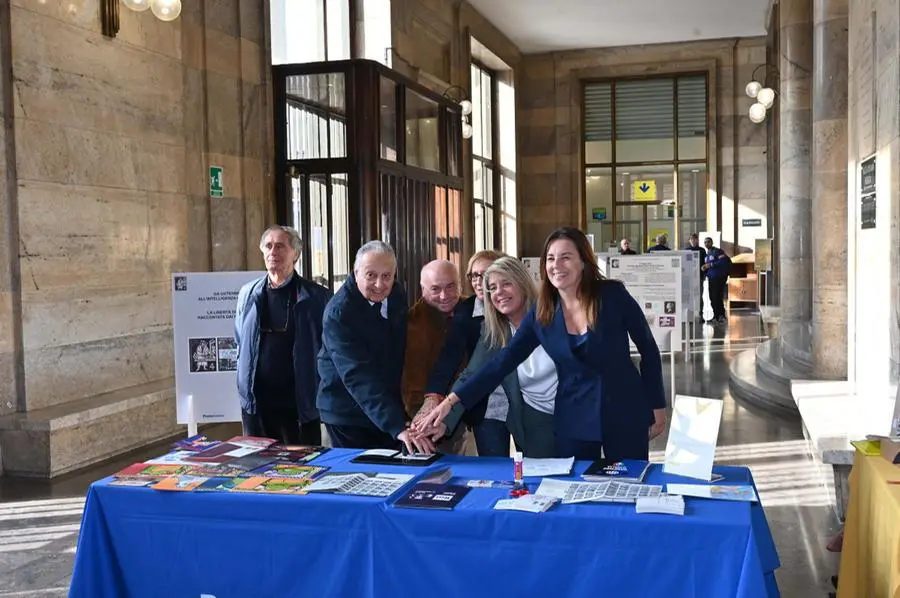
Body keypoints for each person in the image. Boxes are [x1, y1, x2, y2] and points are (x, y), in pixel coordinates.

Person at [419, 227, 667, 461]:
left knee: (629, 486)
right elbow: (502, 362)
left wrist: (657, 405)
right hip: (574, 418)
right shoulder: (544, 311)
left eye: (565, 257)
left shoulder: (612, 296)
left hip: (624, 412)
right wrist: (450, 402)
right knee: (575, 490)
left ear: (583, 261)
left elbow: (648, 348)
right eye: (550, 258)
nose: (556, 265)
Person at [316, 240, 438, 454]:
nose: (380, 285)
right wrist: (396, 426)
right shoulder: (339, 313)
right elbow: (357, 375)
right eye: (371, 275)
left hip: (387, 406)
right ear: (355, 272)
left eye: (386, 276)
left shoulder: (397, 294)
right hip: (348, 413)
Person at [436, 256, 558, 457]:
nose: (498, 292)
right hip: (534, 419)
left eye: (506, 283)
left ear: (523, 283)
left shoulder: (553, 318)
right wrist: (443, 421)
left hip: (572, 415)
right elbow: (472, 375)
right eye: (492, 288)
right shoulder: (495, 330)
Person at [234, 225, 332, 445]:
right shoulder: (248, 294)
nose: (273, 252)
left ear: (295, 254)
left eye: (280, 246)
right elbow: (240, 339)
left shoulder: (316, 297)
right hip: (257, 401)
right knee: (258, 467)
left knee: (304, 467)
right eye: (268, 246)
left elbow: (328, 349)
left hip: (299, 403)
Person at [418, 250, 506, 434]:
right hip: (485, 406)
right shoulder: (466, 311)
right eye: (475, 275)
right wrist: (433, 397)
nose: (479, 281)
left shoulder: (521, 308)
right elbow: (451, 358)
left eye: (487, 273)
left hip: (525, 403)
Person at [401, 259, 469, 454]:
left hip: (466, 408)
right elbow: (410, 380)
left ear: (460, 284)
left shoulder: (472, 310)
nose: (444, 296)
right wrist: (420, 420)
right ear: (423, 290)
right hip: (424, 416)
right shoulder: (411, 324)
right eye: (435, 289)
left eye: (450, 287)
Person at [702, 237, 730, 324]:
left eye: (708, 242)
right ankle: (715, 316)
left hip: (719, 277)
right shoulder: (707, 254)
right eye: (705, 242)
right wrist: (704, 270)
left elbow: (723, 262)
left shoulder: (718, 251)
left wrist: (710, 265)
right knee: (712, 297)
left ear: (712, 242)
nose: (707, 243)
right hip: (711, 278)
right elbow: (707, 268)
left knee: (717, 296)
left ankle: (721, 315)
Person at [686, 233, 707, 319]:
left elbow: (705, 263)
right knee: (689, 296)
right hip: (689, 277)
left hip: (699, 276)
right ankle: (690, 314)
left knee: (699, 295)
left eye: (695, 239)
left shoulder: (702, 250)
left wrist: (704, 275)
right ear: (689, 240)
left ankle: (701, 313)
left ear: (697, 240)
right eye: (692, 239)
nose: (693, 241)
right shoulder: (686, 250)